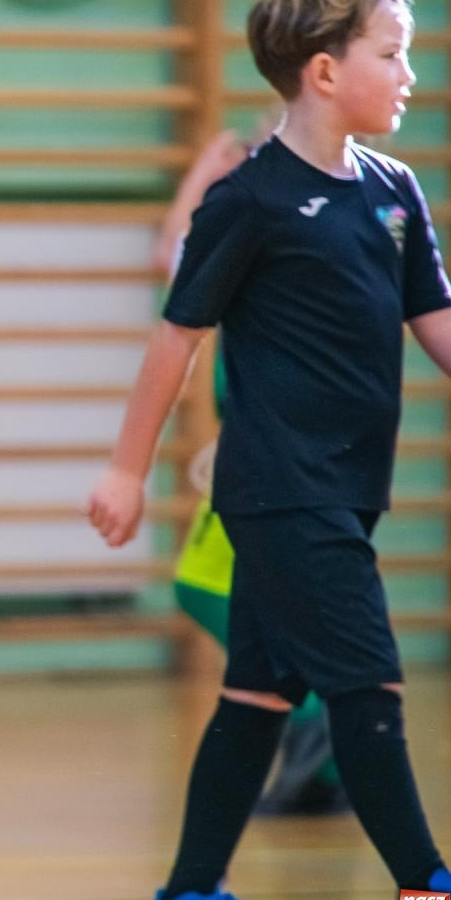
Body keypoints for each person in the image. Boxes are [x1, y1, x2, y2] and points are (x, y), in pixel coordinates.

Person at [86, 0, 451, 900]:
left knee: (258, 692)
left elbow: (441, 320)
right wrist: (126, 469)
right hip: (279, 489)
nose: (409, 74)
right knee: (366, 680)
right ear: (323, 71)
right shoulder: (250, 201)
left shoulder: (393, 192)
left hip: (345, 487)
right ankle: (432, 895)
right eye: (390, 54)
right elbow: (175, 338)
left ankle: (187, 898)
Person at [160, 127, 348, 818]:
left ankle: (318, 719)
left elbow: (169, 258)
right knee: (250, 601)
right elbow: (173, 258)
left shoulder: (281, 225)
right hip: (257, 442)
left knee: (219, 592)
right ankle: (318, 738)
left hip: (272, 454)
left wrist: (202, 175)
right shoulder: (249, 227)